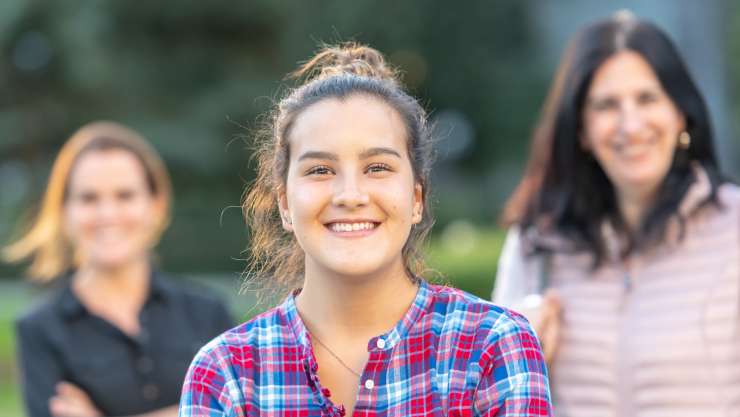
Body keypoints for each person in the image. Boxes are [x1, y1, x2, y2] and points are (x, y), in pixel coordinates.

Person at [179, 43, 551, 417]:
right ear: (285, 204)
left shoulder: (492, 345)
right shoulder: (226, 373)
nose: (350, 195)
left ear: (416, 199)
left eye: (377, 168)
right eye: (320, 170)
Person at [493, 11, 740, 417]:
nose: (631, 125)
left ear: (681, 114)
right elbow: (492, 401)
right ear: (582, 131)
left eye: (647, 98)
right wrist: (515, 360)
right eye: (607, 105)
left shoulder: (733, 228)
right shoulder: (537, 244)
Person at [4, 121, 234, 417]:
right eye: (89, 198)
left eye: (125, 195)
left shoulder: (208, 312)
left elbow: (244, 410)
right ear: (64, 211)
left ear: (157, 205)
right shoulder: (39, 330)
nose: (107, 214)